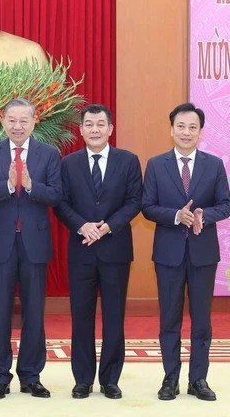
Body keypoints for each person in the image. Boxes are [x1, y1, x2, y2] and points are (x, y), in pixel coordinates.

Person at [142, 102, 230, 402]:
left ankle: (199, 379)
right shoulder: (156, 165)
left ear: (200, 132)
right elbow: (147, 206)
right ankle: (170, 378)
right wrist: (175, 215)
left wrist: (204, 215)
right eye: (181, 126)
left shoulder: (214, 165)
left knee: (201, 320)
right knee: (169, 319)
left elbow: (226, 204)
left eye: (192, 127)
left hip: (203, 254)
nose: (186, 132)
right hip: (168, 254)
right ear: (171, 130)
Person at [0, 98, 62, 400]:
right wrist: (9, 186)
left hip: (35, 245)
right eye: (12, 120)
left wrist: (31, 185)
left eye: (24, 120)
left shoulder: (49, 154)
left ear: (34, 122)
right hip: (0, 245)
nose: (17, 126)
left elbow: (56, 196)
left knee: (34, 313)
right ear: (2, 120)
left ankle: (31, 376)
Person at [54, 104, 142, 400]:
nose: (94, 129)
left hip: (115, 249)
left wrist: (107, 227)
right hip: (81, 250)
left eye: (100, 124)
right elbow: (61, 203)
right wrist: (82, 226)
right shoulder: (68, 164)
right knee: (81, 317)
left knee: (114, 316)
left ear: (110, 129)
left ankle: (110, 379)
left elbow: (134, 201)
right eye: (89, 124)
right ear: (81, 130)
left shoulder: (128, 161)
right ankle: (82, 379)